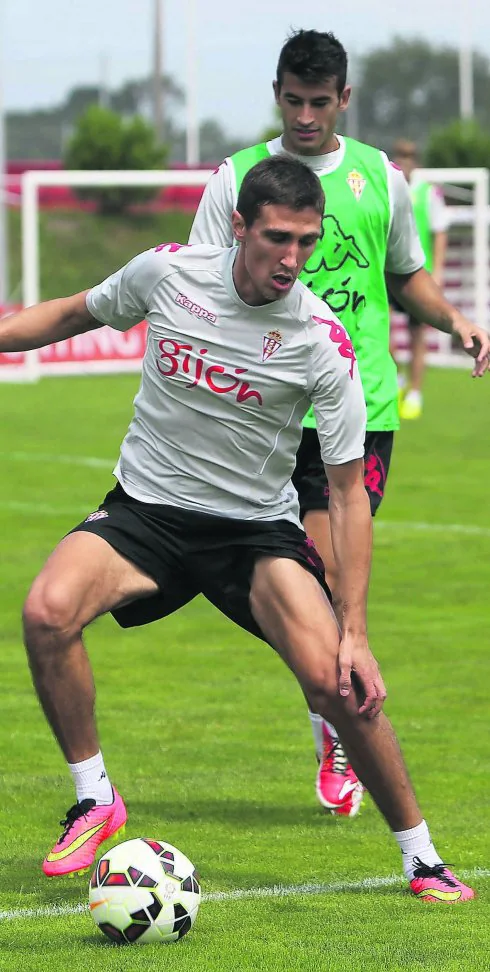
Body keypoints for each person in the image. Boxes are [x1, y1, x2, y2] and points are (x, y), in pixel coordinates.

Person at [1, 156, 475, 902]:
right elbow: (71, 312)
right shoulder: (167, 274)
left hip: (253, 532)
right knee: (45, 612)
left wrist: (355, 630)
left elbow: (348, 495)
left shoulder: (322, 342)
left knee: (343, 687)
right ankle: (95, 797)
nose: (292, 259)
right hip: (147, 511)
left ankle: (421, 857)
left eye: (306, 242)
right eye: (277, 238)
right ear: (238, 227)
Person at [189, 28, 490, 818]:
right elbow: (197, 286)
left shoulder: (378, 182)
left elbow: (406, 276)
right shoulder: (237, 180)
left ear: (344, 99)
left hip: (360, 412)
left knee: (322, 583)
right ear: (277, 93)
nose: (306, 116)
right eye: (293, 101)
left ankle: (330, 718)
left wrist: (455, 320)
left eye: (320, 103)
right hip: (267, 410)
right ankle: (329, 699)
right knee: (290, 583)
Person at [390, 139, 449, 420]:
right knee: (382, 329)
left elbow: (440, 231)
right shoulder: (387, 188)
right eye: (401, 156)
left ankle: (415, 392)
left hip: (418, 274)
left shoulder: (428, 193)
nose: (406, 161)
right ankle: (397, 377)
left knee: (417, 334)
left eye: (410, 156)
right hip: (388, 271)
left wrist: (437, 271)